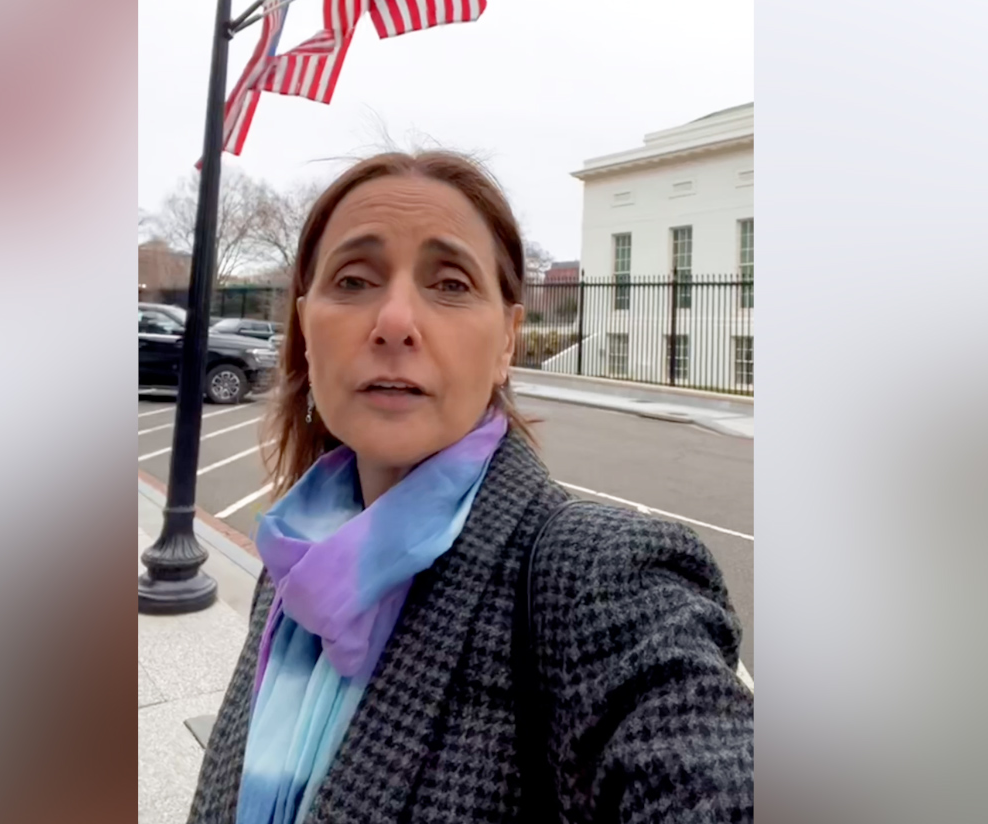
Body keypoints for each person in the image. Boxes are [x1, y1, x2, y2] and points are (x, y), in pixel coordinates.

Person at [187, 151, 754, 823]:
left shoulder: (603, 582)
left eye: (451, 284)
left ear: (508, 339)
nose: (395, 321)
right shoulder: (289, 567)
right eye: (355, 278)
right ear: (307, 327)